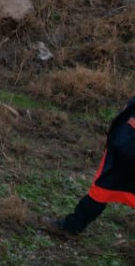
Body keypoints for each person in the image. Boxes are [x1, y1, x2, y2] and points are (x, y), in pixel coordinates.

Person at [46, 95, 135, 237]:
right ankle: (71, 226)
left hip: (124, 152)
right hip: (122, 153)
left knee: (101, 190)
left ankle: (71, 226)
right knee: (101, 191)